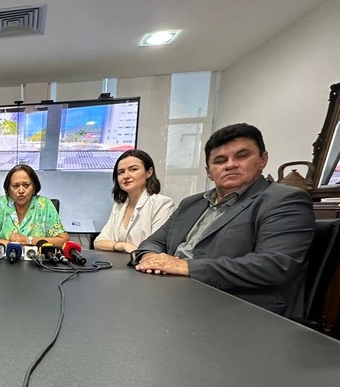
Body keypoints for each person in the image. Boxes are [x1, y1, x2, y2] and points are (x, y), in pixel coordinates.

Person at [133, 123, 315, 318]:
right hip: (175, 296)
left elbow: (275, 265)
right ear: (209, 171)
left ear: (263, 159)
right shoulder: (191, 203)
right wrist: (151, 259)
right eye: (220, 160)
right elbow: (153, 242)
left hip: (239, 310)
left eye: (242, 156)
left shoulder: (285, 199)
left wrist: (185, 266)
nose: (230, 165)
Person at [93, 150, 175, 253]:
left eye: (133, 169)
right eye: (121, 172)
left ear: (149, 172)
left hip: (145, 266)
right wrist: (122, 245)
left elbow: (156, 247)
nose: (126, 176)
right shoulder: (119, 206)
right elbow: (99, 242)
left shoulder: (162, 204)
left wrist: (114, 245)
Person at [0, 164, 69, 248]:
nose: (21, 190)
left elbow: (63, 241)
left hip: (36, 260)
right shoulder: (2, 203)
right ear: (8, 190)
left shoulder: (44, 204)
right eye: (15, 185)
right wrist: (13, 246)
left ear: (34, 188)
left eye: (26, 185)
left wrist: (28, 240)